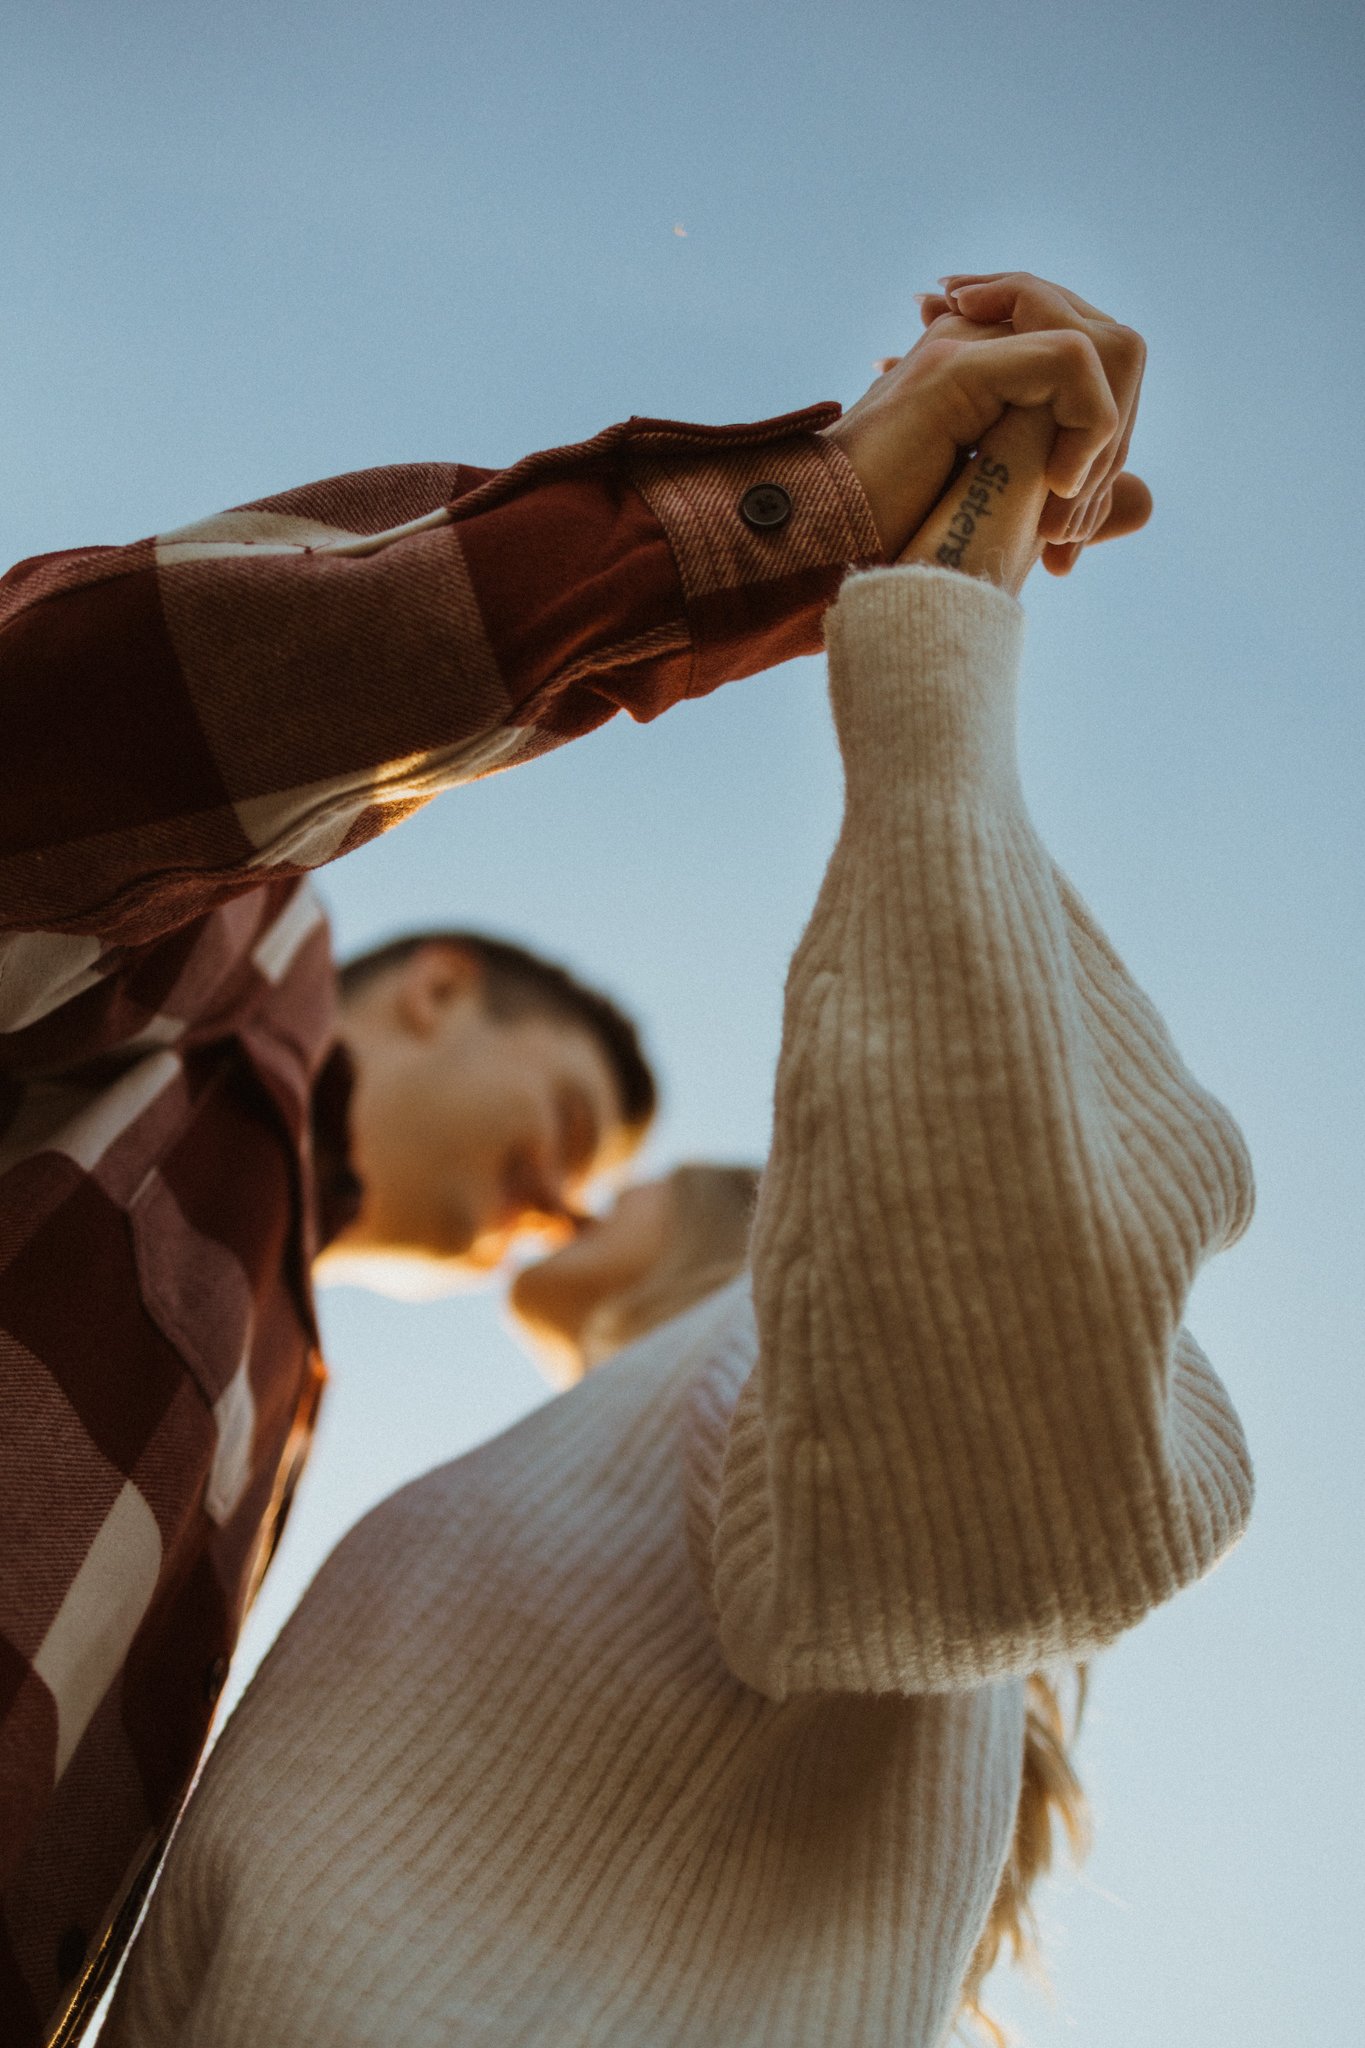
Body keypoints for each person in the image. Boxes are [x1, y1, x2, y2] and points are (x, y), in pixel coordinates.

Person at [0, 268, 1150, 2046]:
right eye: (555, 1133)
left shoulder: (276, 1395)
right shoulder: (218, 963)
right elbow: (73, 731)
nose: (551, 1206)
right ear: (441, 990)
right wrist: (824, 515)